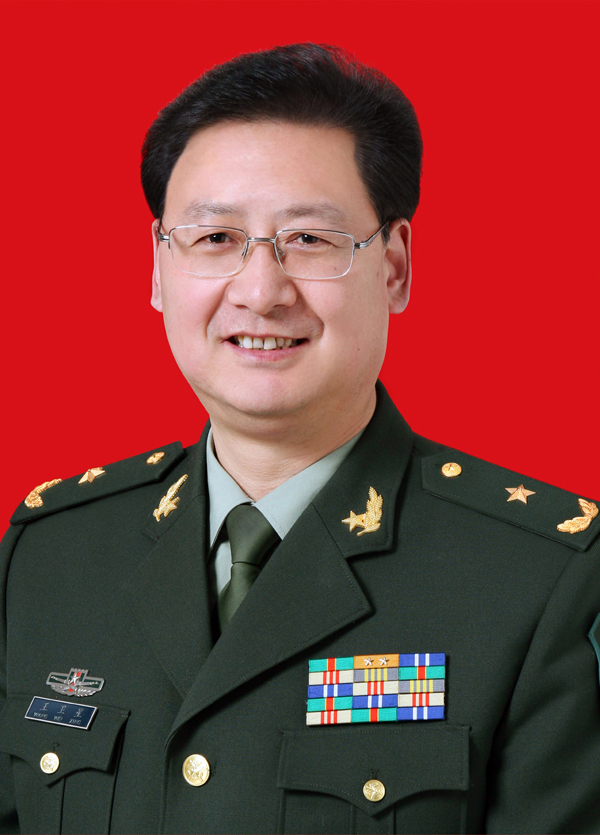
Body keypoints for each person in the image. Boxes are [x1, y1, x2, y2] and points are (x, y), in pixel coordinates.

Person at [0, 43, 599, 835]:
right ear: (157, 267)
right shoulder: (51, 554)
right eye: (215, 238)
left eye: (310, 240)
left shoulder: (538, 576)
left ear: (394, 266)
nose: (261, 290)